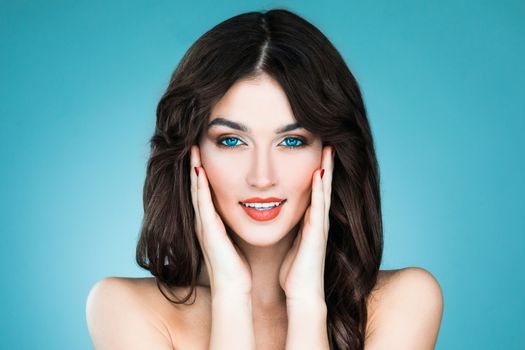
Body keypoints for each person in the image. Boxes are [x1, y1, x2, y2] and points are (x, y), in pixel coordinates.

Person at [86, 8, 443, 350]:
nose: (261, 177)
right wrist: (231, 297)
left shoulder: (403, 302)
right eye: (231, 141)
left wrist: (307, 304)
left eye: (291, 141)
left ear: (330, 151)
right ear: (192, 153)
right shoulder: (125, 309)